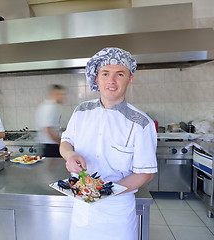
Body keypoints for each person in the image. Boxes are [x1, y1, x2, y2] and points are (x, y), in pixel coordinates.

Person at [60, 47, 157, 240]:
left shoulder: (141, 123)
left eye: (119, 74)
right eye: (105, 74)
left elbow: (146, 172)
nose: (111, 81)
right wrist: (70, 155)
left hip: (117, 212)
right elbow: (66, 141)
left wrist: (105, 192)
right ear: (97, 79)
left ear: (130, 79)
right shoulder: (81, 111)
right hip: (82, 207)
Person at [35, 84, 66, 157]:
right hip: (51, 146)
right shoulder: (51, 107)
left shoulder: (45, 105)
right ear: (53, 94)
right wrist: (61, 142)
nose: (63, 97)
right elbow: (48, 130)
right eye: (60, 94)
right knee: (53, 167)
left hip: (48, 145)